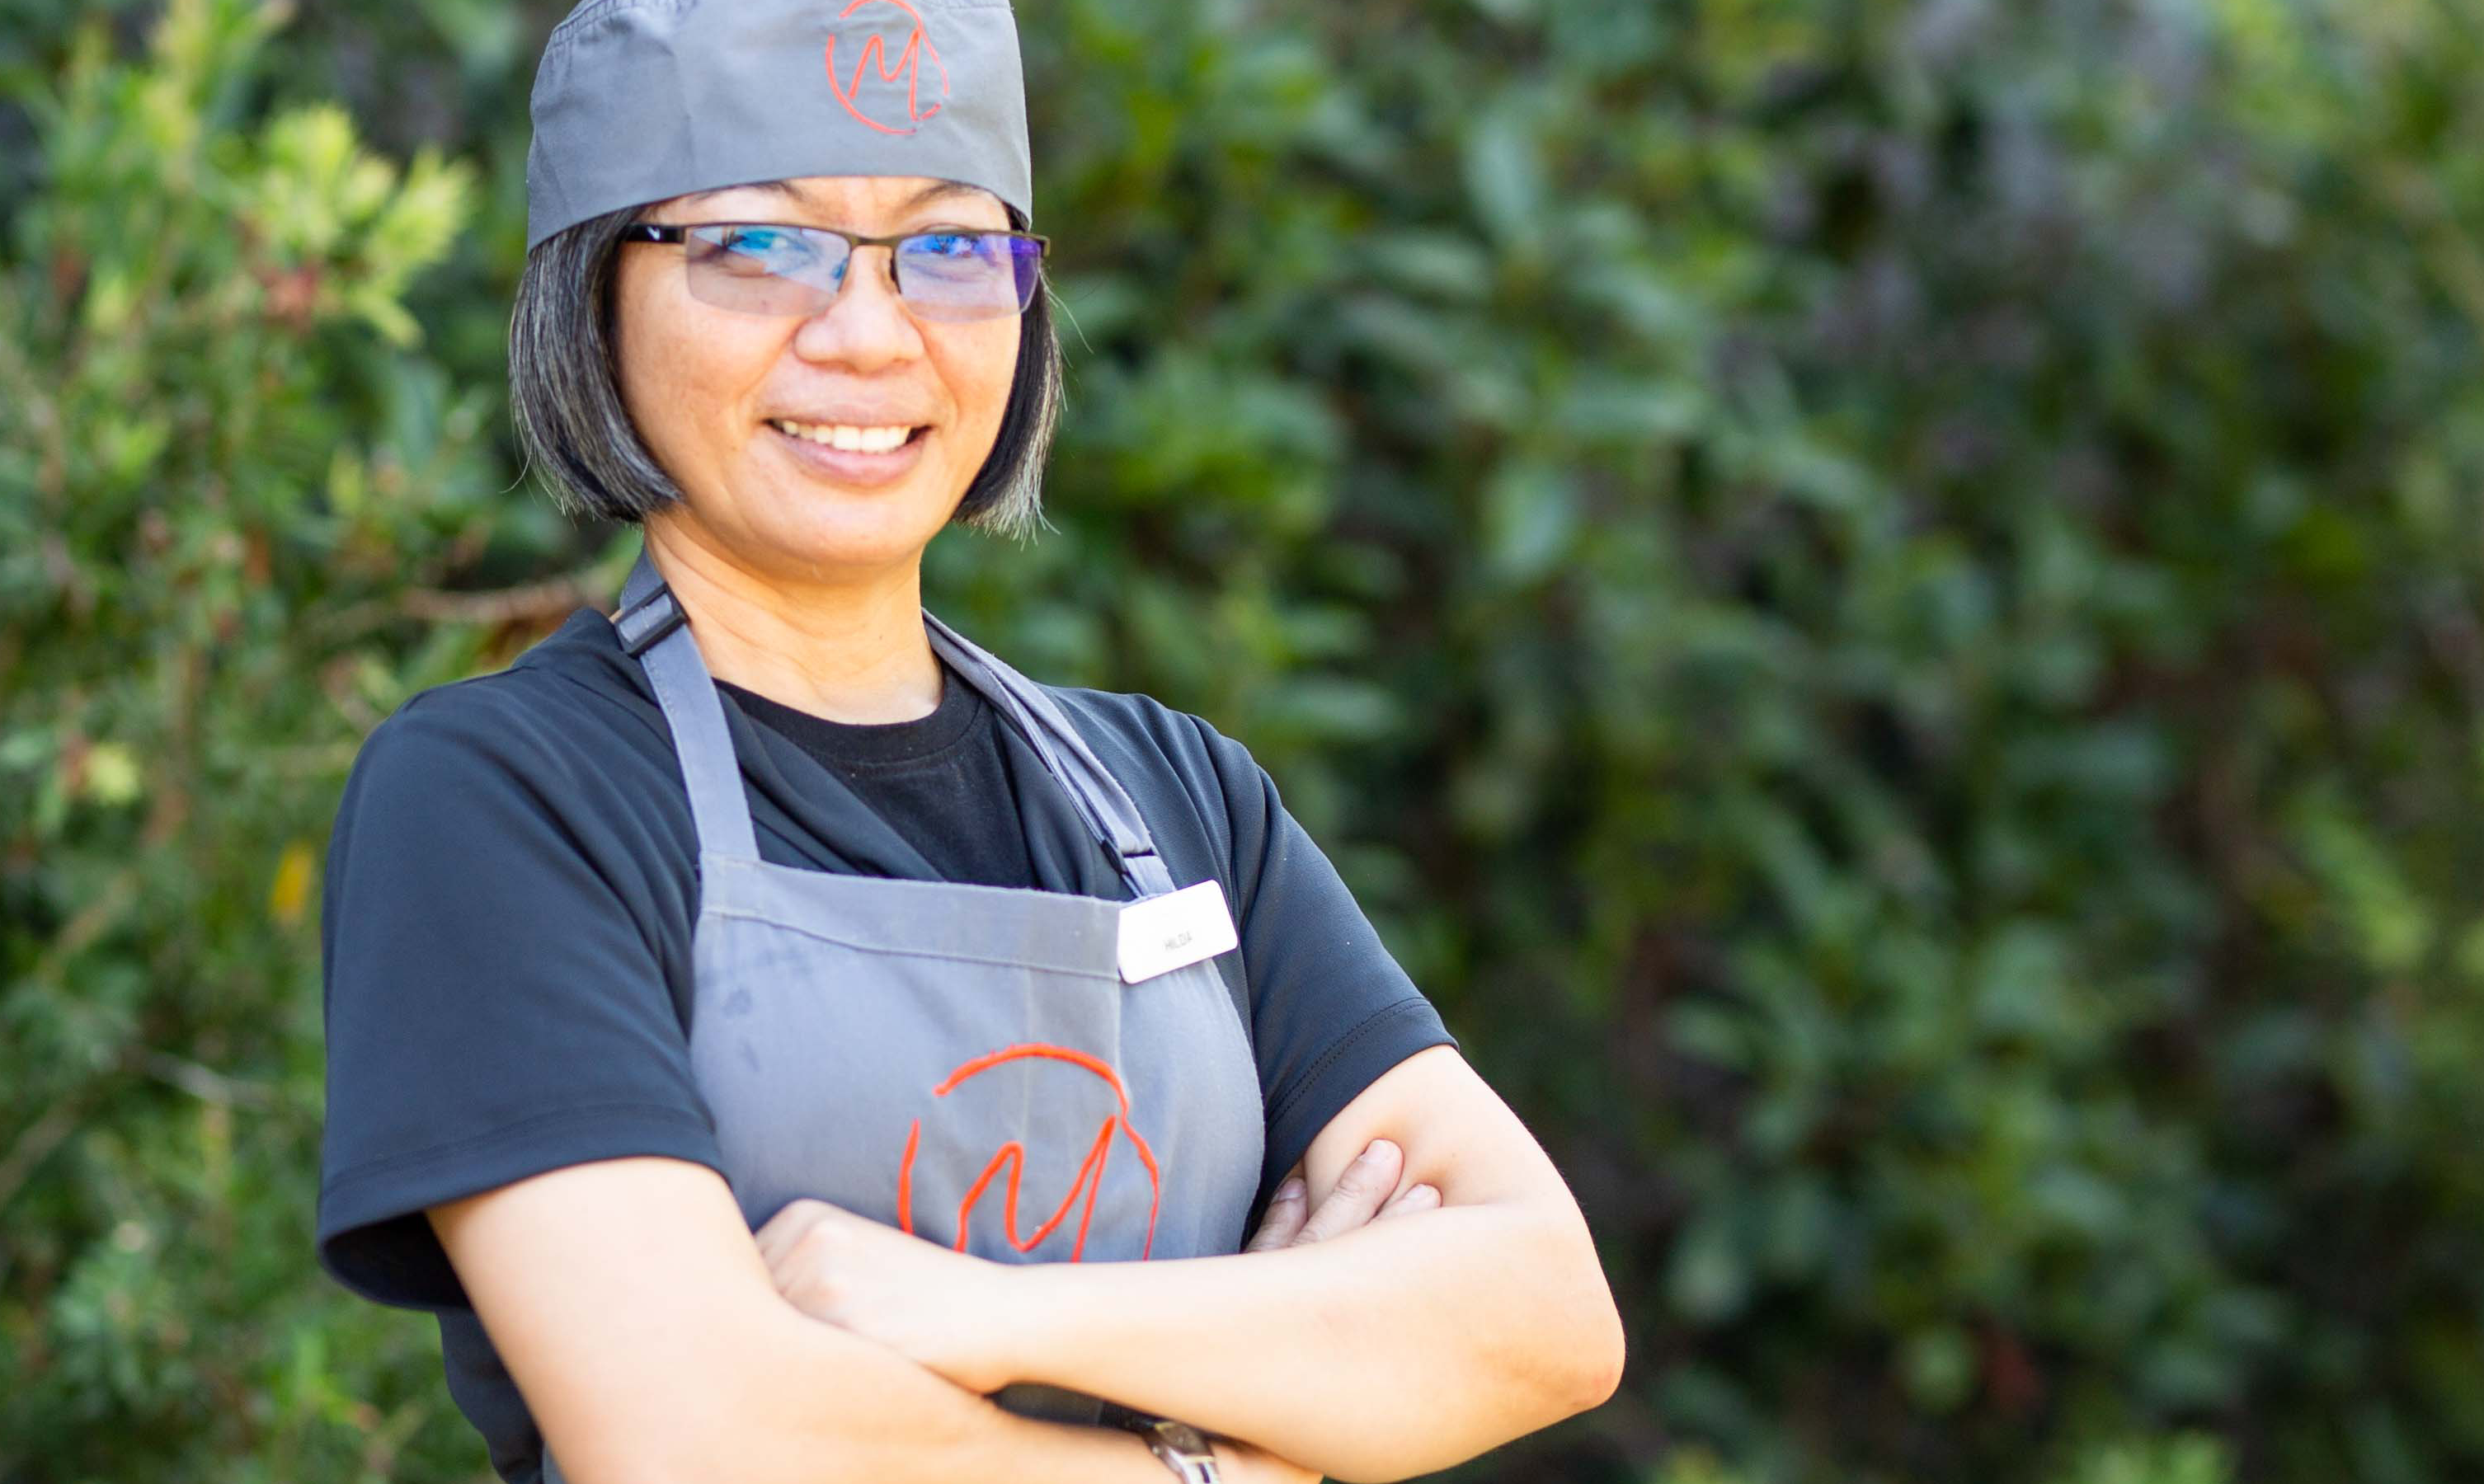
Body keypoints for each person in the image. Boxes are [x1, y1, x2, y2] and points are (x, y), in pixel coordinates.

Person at [313, 2, 1625, 1479]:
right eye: (760, 243)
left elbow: (1543, 1316)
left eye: (947, 247)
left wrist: (984, 1316)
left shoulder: (1183, 798)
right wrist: (1239, 1440)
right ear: (593, 298)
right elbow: (692, 1434)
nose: (869, 336)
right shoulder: (504, 799)